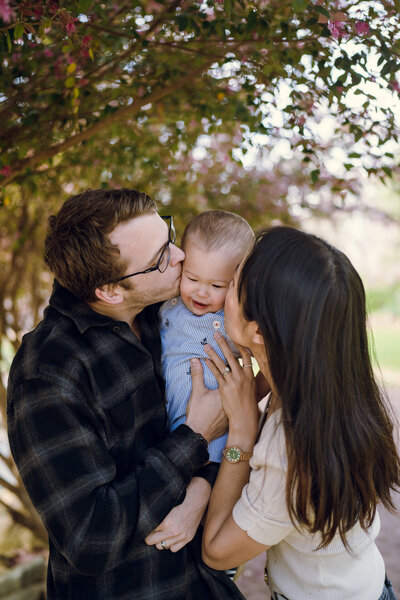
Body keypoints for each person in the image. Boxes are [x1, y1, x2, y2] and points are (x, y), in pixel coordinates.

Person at [7, 188, 246, 600]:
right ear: (110, 291)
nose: (180, 256)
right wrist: (193, 438)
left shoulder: (168, 315)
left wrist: (201, 488)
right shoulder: (48, 373)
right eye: (159, 259)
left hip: (203, 586)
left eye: (167, 235)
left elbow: (222, 416)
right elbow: (89, 537)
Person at [200, 226, 400, 600]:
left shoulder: (290, 446)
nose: (222, 288)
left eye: (233, 282)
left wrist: (242, 432)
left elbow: (216, 552)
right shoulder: (337, 385)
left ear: (258, 331)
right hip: (368, 584)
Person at [159, 210, 254, 463]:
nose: (201, 292)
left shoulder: (233, 320)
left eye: (217, 286)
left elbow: (271, 357)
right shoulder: (167, 305)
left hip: (218, 441)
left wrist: (250, 398)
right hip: (170, 434)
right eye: (192, 278)